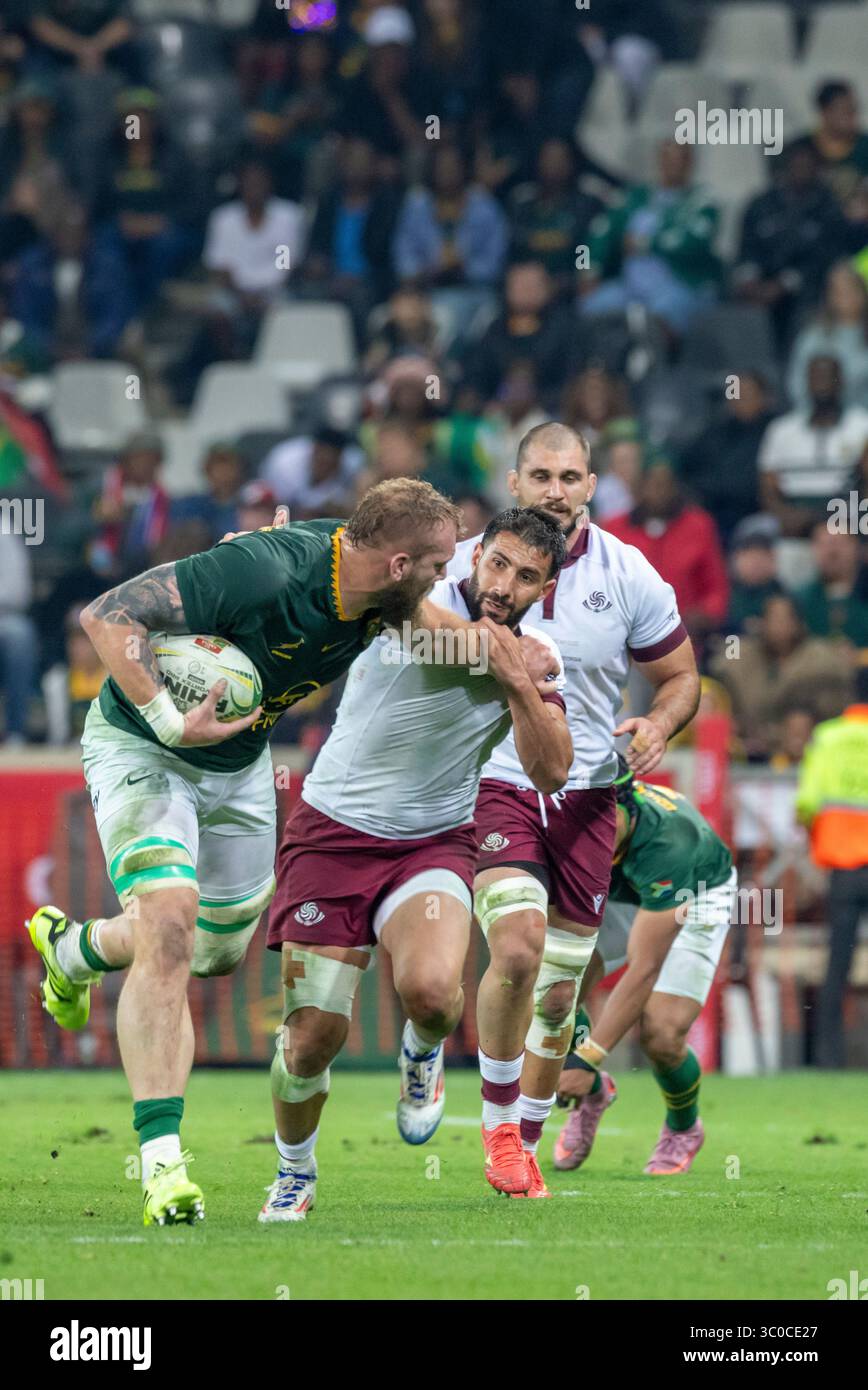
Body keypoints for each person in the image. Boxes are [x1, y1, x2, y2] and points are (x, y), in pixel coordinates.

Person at [26, 479, 492, 1229]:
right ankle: (163, 1166)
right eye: (438, 563)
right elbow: (105, 616)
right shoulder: (269, 569)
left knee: (211, 950)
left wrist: (514, 658)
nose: (446, 575)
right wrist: (167, 717)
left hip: (239, 764)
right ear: (401, 560)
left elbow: (437, 628)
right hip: (145, 747)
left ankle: (75, 948)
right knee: (170, 922)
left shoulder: (381, 593)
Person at [259, 507, 571, 1221]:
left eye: (526, 576)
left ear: (544, 588)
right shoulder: (408, 601)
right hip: (332, 832)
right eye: (497, 563)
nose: (504, 584)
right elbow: (438, 635)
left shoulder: (540, 656)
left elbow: (551, 772)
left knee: (433, 993)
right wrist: (503, 660)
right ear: (474, 555)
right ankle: (294, 1171)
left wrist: (521, 684)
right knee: (309, 1039)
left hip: (432, 840)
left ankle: (420, 1053)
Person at [448, 421, 700, 1197]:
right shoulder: (463, 567)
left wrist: (658, 724)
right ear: (514, 484)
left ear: (591, 486)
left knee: (560, 990)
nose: (556, 489)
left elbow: (682, 675)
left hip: (591, 796)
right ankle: (497, 1129)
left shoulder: (629, 574)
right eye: (541, 475)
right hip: (498, 783)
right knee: (517, 949)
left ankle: (523, 1142)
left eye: (570, 476)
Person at [551, 759, 736, 1176]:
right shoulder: (566, 826)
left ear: (626, 803)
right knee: (555, 987)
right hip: (624, 893)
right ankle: (594, 1095)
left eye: (602, 816)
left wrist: (589, 1057)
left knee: (661, 1032)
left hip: (696, 891)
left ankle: (684, 1127)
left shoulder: (670, 843)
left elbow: (644, 968)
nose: (592, 830)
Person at [795, 660, 868, 1067]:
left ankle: (828, 1058)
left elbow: (807, 803)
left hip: (843, 867)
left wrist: (819, 841)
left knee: (837, 963)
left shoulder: (829, 737)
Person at [580, 140, 720, 336]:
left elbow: (693, 244)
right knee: (591, 306)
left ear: (690, 163)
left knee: (659, 316)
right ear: (659, 160)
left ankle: (656, 364)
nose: (673, 165)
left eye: (679, 160)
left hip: (681, 285)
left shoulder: (702, 201)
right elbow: (593, 238)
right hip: (629, 286)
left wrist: (645, 244)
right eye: (668, 159)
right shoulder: (633, 197)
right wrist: (586, 270)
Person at [602, 457, 729, 652]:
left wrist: (705, 614)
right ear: (639, 488)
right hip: (624, 640)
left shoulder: (699, 526)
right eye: (652, 484)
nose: (659, 492)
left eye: (665, 484)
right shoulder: (613, 529)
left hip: (685, 637)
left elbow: (716, 589)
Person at [758, 355, 868, 538]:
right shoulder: (781, 430)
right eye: (816, 377)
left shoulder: (863, 425)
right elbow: (767, 491)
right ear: (806, 383)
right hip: (793, 515)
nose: (822, 384)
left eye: (828, 377)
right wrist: (786, 516)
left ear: (841, 381)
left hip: (849, 515)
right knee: (757, 533)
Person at [680, 372, 776, 547]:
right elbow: (686, 467)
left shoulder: (775, 430)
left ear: (764, 398)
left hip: (757, 515)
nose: (741, 400)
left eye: (749, 395)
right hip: (715, 513)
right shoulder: (716, 432)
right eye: (737, 395)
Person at [787, 261, 868, 413]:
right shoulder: (812, 336)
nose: (844, 295)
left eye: (850, 288)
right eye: (836, 290)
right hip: (816, 420)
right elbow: (797, 385)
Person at [795, 523, 868, 648]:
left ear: (857, 548)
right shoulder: (799, 599)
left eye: (839, 543)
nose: (832, 552)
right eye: (824, 544)